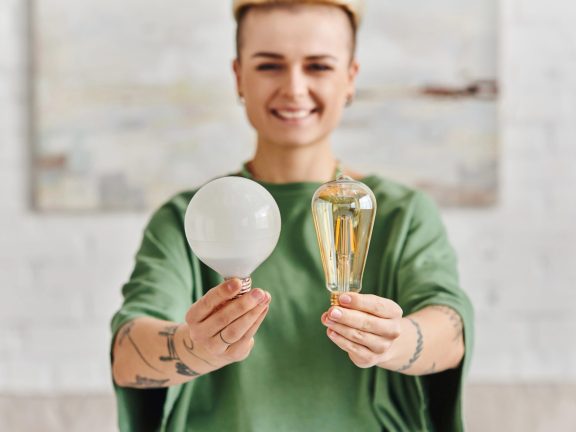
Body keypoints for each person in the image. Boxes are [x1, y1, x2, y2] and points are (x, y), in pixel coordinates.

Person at [110, 1, 474, 431]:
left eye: (318, 66)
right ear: (238, 76)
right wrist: (194, 347)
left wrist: (395, 342)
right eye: (269, 66)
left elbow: (449, 330)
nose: (294, 88)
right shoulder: (186, 219)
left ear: (350, 79)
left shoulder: (402, 214)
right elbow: (128, 354)